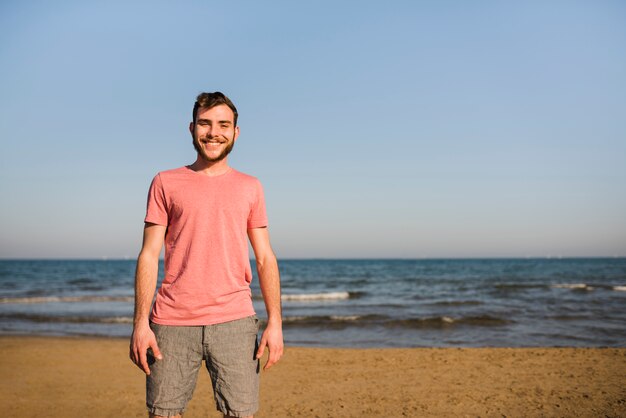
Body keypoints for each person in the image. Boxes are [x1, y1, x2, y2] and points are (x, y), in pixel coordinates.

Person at [129, 92, 283, 418]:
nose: (214, 132)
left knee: (240, 413)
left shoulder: (250, 187)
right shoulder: (165, 182)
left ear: (235, 132)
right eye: (205, 123)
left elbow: (266, 257)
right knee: (163, 413)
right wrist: (140, 324)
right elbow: (148, 254)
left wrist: (276, 323)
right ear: (192, 128)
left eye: (223, 125)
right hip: (170, 324)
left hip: (235, 322)